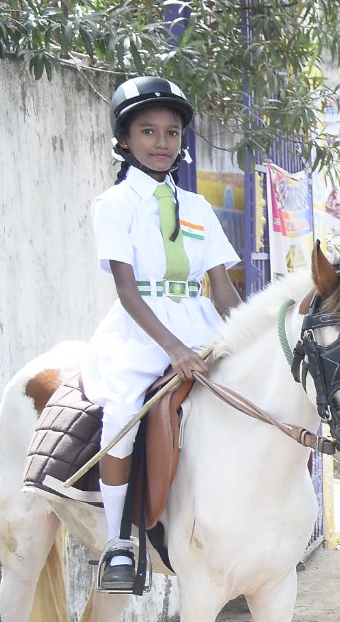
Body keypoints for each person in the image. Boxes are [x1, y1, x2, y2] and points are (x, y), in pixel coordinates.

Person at [79, 76, 242, 591]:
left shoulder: (198, 209)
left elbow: (222, 291)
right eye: (148, 131)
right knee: (124, 410)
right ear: (125, 140)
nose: (161, 142)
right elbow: (127, 291)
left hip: (200, 325)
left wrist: (250, 337)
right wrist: (171, 349)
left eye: (172, 132)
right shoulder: (113, 205)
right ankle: (117, 543)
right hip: (140, 330)